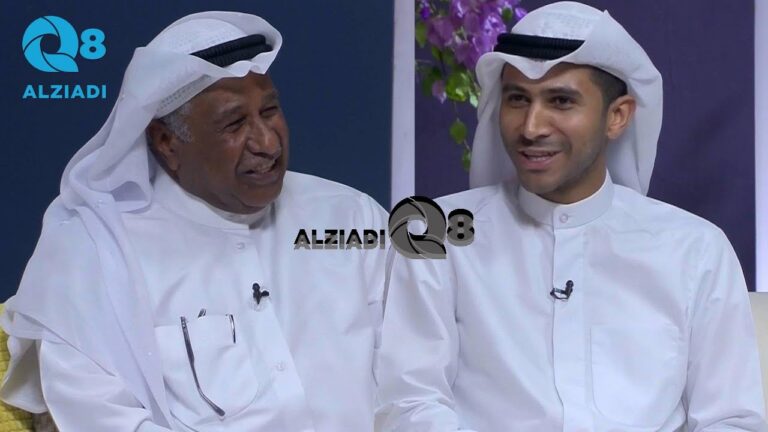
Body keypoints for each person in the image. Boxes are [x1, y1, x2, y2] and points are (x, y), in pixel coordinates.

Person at [375, 2, 767, 431]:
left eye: (560, 101)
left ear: (617, 116)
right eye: (517, 99)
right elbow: (410, 404)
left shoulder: (695, 249)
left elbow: (731, 420)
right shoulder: (437, 236)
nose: (531, 127)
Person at [1, 11, 387, 431]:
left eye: (270, 111)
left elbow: (418, 375)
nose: (267, 142)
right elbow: (104, 419)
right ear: (167, 142)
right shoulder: (95, 254)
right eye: (235, 124)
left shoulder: (351, 217)